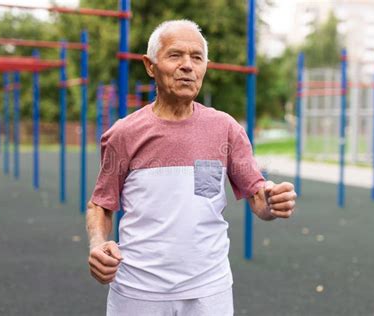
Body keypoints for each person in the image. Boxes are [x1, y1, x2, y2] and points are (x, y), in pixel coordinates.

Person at [86, 19, 297, 316]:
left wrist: (272, 202)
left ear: (205, 66)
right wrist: (98, 244)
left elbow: (257, 197)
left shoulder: (226, 129)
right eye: (175, 55)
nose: (188, 65)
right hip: (138, 290)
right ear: (150, 65)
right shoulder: (124, 133)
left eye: (197, 57)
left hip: (209, 289)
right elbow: (101, 204)